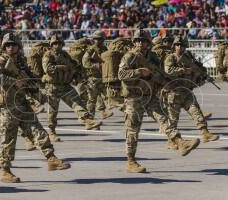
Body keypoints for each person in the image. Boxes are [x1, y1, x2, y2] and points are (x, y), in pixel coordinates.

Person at [0, 33, 71, 183]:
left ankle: (51, 158)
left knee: (38, 131)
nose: (10, 47)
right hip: (8, 107)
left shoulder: (21, 62)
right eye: (7, 45)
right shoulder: (1, 60)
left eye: (13, 45)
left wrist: (39, 94)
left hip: (23, 104)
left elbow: (29, 82)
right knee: (8, 140)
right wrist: (14, 81)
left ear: (18, 47)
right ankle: (5, 171)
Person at [118, 30, 200, 173]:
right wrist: (138, 72)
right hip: (133, 97)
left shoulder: (153, 58)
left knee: (164, 118)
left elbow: (159, 75)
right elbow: (121, 74)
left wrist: (168, 84)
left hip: (149, 96)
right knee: (133, 129)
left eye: (143, 41)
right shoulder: (130, 56)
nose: (139, 43)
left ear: (148, 43)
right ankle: (131, 161)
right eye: (137, 41)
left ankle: (180, 143)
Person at [42, 35, 102, 142]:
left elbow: (73, 66)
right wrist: (61, 67)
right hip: (53, 87)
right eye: (55, 44)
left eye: (59, 44)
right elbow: (47, 68)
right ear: (51, 45)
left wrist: (76, 74)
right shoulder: (48, 55)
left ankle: (87, 120)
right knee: (52, 111)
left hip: (65, 86)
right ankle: (51, 132)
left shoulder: (65, 55)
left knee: (77, 102)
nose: (57, 46)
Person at [164, 36, 220, 143]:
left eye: (181, 45)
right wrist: (184, 70)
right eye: (177, 45)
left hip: (187, 91)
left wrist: (200, 80)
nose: (179, 47)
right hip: (173, 93)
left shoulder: (189, 59)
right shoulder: (171, 57)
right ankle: (172, 141)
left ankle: (205, 133)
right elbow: (168, 70)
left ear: (185, 47)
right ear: (174, 46)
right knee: (173, 120)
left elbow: (193, 77)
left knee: (196, 112)